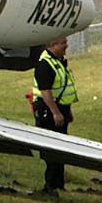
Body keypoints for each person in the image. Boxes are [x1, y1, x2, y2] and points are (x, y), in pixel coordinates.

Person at [30, 35, 76, 194]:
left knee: (61, 148)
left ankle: (59, 184)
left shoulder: (59, 61)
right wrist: (55, 112)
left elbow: (62, 86)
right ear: (52, 45)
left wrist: (67, 111)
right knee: (51, 148)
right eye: (63, 43)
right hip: (48, 111)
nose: (66, 46)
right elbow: (46, 92)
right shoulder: (45, 64)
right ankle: (50, 185)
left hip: (60, 108)